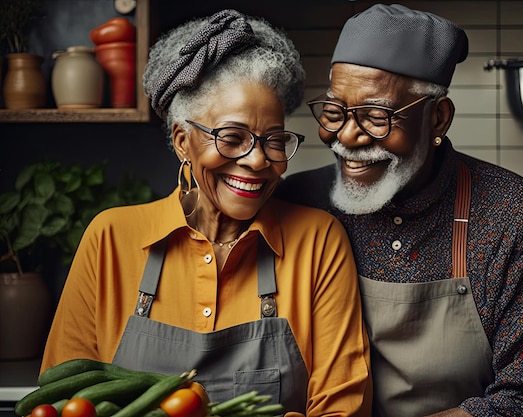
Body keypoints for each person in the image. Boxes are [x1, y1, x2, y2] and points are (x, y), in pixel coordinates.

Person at [41, 9, 372, 417]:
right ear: (183, 141)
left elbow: (343, 409)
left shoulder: (318, 242)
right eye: (232, 138)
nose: (256, 161)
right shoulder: (111, 238)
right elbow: (62, 397)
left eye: (274, 140)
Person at [275, 4, 523, 417]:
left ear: (438, 118)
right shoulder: (300, 202)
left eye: (375, 116)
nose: (347, 137)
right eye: (335, 112)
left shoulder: (509, 213)